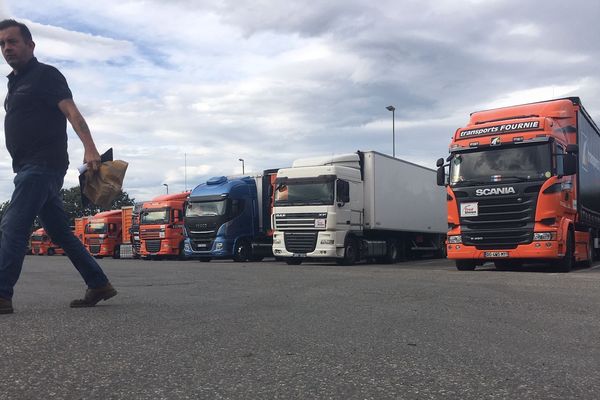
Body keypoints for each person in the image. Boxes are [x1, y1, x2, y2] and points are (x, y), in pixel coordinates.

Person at [0, 19, 117, 314]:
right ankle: (98, 283)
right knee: (60, 233)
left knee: (12, 227)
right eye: (2, 44)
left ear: (30, 45)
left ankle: (1, 294)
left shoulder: (47, 75)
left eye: (12, 41)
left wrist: (89, 146)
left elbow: (72, 113)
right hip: (26, 167)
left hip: (42, 166)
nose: (6, 48)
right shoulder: (13, 84)